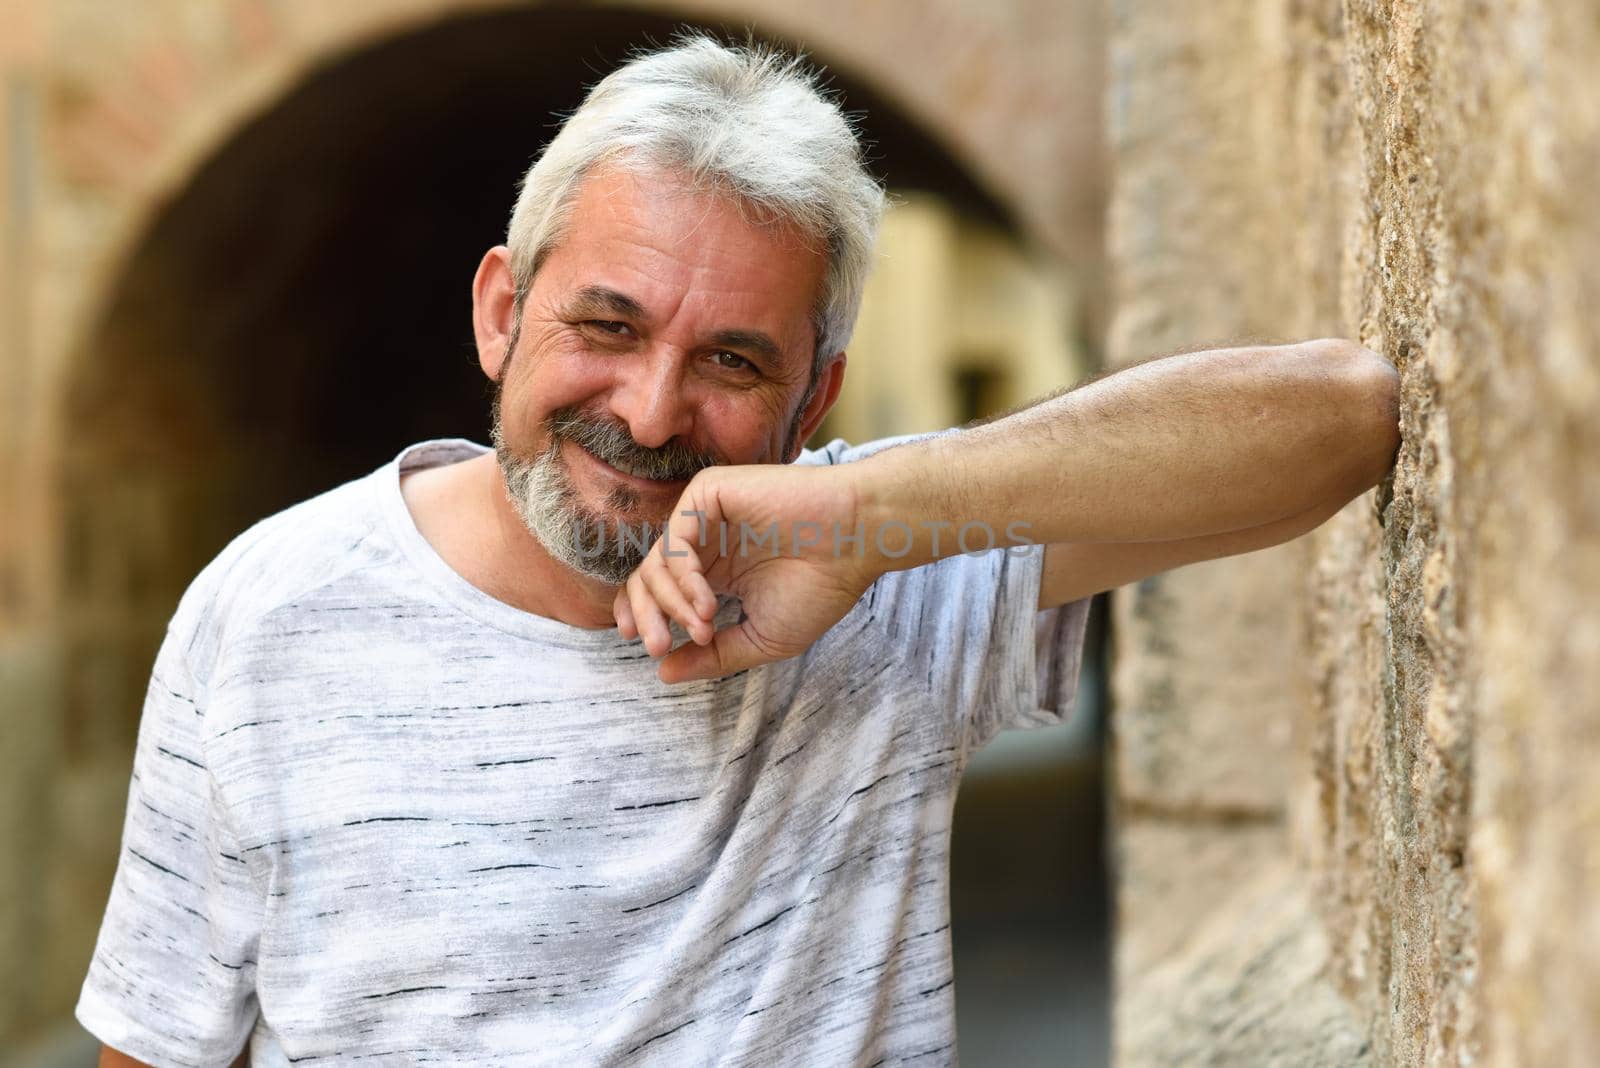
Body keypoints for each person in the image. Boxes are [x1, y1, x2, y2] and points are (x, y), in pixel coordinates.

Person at [77, 33, 1401, 1068]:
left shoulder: (873, 573)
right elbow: (157, 1045)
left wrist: (868, 521)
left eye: (731, 360)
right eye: (606, 325)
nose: (652, 413)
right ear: (500, 313)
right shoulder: (269, 614)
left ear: (810, 401)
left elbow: (1339, 423)